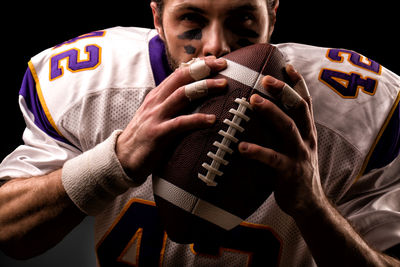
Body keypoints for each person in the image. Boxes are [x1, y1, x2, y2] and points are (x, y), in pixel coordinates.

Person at [0, 0, 399, 266]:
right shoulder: (91, 84)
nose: (216, 46)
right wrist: (113, 161)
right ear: (157, 18)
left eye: (243, 18)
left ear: (271, 17)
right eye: (191, 18)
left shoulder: (354, 106)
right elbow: (9, 231)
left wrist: (312, 206)